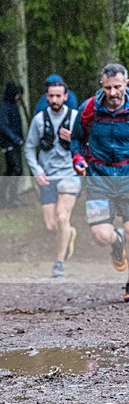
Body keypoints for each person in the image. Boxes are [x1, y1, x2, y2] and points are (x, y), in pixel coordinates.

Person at [71, 63, 129, 300]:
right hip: (98, 180)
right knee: (101, 236)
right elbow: (75, 140)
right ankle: (117, 242)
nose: (113, 93)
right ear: (102, 86)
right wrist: (77, 159)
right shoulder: (88, 110)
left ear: (126, 83)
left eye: (117, 87)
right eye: (108, 88)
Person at [24, 79, 80, 277]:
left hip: (70, 175)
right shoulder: (39, 120)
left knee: (62, 216)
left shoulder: (76, 118)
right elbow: (29, 147)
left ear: (66, 97)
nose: (55, 99)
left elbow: (87, 144)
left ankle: (59, 262)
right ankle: (69, 232)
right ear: (46, 97)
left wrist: (73, 139)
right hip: (47, 176)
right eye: (51, 96)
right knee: (51, 225)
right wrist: (37, 170)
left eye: (59, 96)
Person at [0, 82, 25, 208]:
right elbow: (4, 126)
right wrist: (15, 139)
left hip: (15, 143)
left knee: (11, 171)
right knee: (16, 170)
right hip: (9, 144)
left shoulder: (13, 106)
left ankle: (3, 197)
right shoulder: (4, 107)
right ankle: (10, 198)